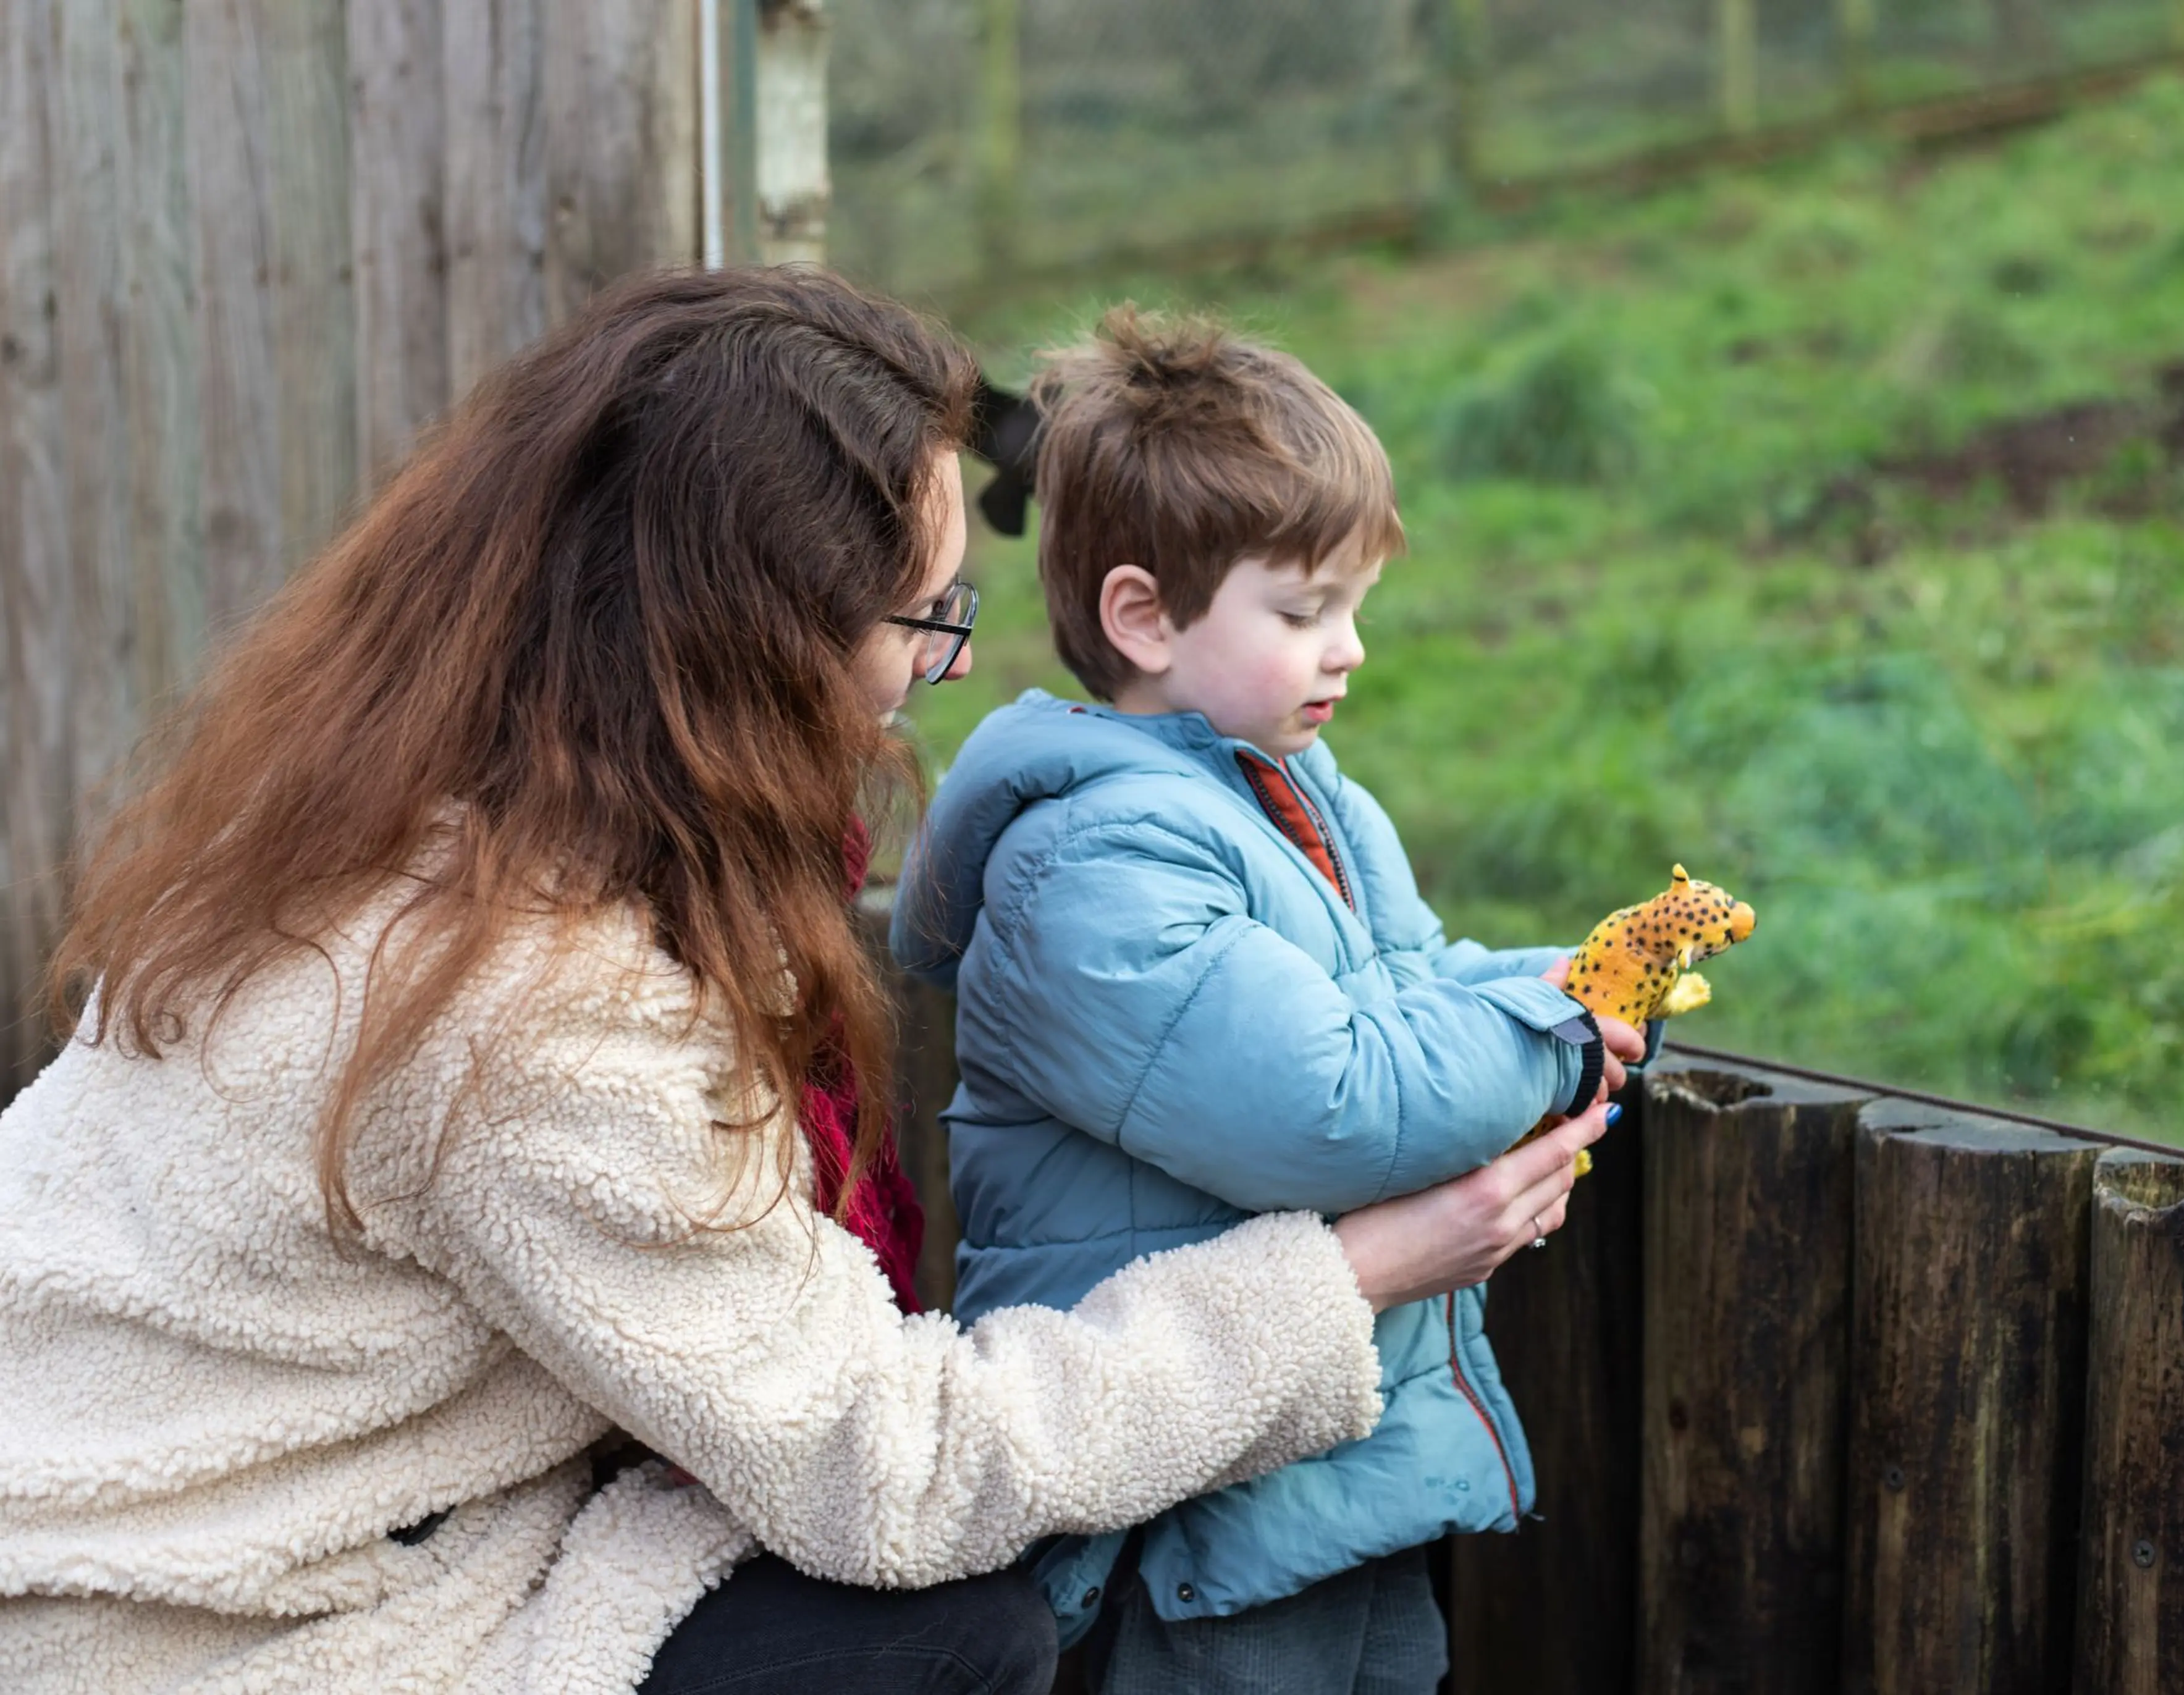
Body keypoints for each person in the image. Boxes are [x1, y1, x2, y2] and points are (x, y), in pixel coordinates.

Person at [0, 269, 1602, 1695]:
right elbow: (891, 1470)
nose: (946, 668)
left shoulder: (399, 832)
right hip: (183, 1628)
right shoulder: (524, 1008)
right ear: (752, 637)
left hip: (167, 1523)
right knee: (952, 1628)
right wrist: (1350, 1278)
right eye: (929, 615)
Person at [890, 307, 1647, 1694]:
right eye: (1303, 612)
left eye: (1355, 605)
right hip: (1181, 1516)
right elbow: (1336, 1108)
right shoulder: (1092, 865)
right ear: (1144, 617)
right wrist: (1550, 1040)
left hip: (1332, 1469)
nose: (1348, 647)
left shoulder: (1298, 795)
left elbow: (1409, 983)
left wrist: (1549, 985)